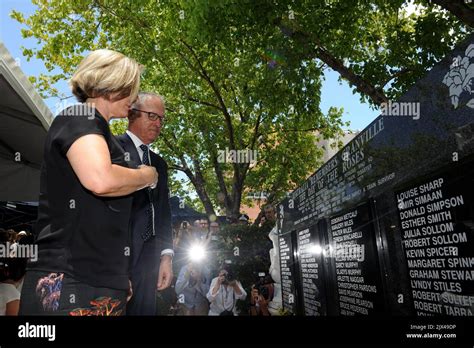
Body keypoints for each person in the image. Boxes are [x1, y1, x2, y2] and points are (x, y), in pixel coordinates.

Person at [19, 49, 158, 316]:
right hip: (69, 277)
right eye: (130, 88)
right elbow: (100, 180)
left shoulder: (101, 131)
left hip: (101, 280)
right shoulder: (79, 117)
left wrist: (118, 275)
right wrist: (147, 176)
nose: (133, 98)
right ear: (112, 84)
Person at [116, 92, 173, 315]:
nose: (158, 123)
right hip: (116, 256)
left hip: (150, 259)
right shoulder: (110, 149)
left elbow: (164, 213)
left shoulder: (160, 164)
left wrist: (166, 257)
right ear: (132, 114)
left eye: (161, 119)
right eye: (152, 116)